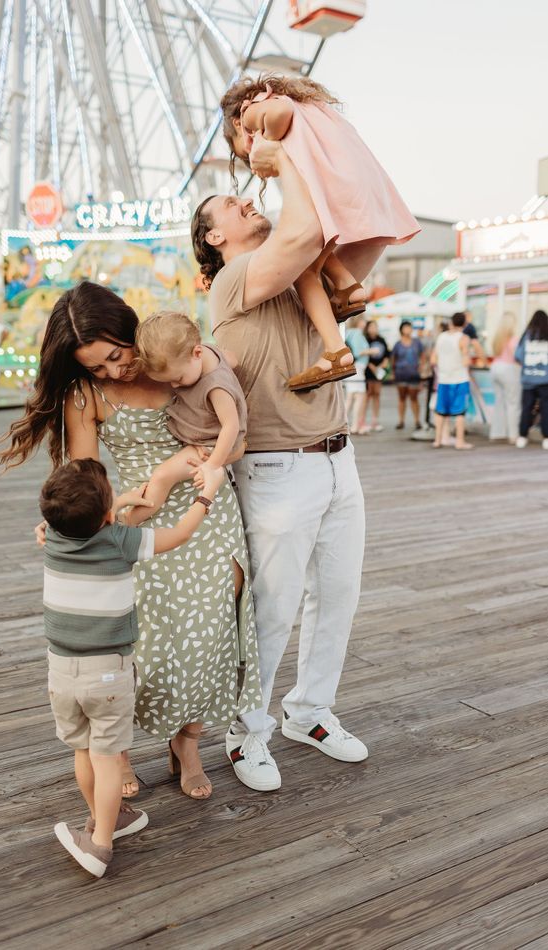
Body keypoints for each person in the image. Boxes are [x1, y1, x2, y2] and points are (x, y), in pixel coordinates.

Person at [0, 281, 261, 802]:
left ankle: (187, 742)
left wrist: (169, 475)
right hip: (134, 518)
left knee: (210, 634)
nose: (115, 371)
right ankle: (115, 750)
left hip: (207, 510)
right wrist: (71, 519)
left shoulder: (177, 363)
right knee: (140, 645)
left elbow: (238, 439)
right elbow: (87, 472)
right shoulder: (86, 395)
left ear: (129, 330)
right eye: (99, 367)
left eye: (117, 355)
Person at [191, 132, 369, 794]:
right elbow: (304, 227)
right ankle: (246, 729)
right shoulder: (237, 279)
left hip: (336, 456)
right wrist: (285, 158)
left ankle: (310, 711)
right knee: (273, 607)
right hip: (275, 468)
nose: (244, 200)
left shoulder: (298, 274)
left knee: (338, 596)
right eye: (229, 206)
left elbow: (339, 243)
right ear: (213, 239)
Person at [40, 457, 224, 877]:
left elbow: (73, 520)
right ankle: (100, 844)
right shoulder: (120, 541)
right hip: (107, 671)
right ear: (107, 516)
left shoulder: (50, 535)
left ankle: (108, 818)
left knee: (84, 751)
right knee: (107, 760)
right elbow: (178, 534)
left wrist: (116, 501)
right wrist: (206, 492)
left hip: (61, 671)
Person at [219, 73, 419, 392]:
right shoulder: (312, 109)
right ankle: (346, 285)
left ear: (237, 121)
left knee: (304, 271)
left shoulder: (252, 111)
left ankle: (336, 351)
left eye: (240, 146)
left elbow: (279, 114)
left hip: (335, 183)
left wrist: (267, 140)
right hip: (361, 181)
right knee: (316, 260)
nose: (247, 152)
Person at [129, 310, 247, 522]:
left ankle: (126, 523)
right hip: (209, 439)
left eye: (178, 378)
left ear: (197, 353)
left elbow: (231, 425)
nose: (174, 386)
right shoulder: (209, 353)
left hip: (210, 445)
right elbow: (234, 360)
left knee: (162, 477)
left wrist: (212, 465)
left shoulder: (215, 386)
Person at [430, 312, 473, 450]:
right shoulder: (464, 338)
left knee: (440, 411)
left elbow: (433, 359)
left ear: (452, 322)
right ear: (464, 324)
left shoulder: (441, 337)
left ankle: (438, 440)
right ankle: (460, 442)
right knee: (459, 412)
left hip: (443, 379)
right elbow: (466, 360)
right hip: (460, 378)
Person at [515, 309, 548, 450]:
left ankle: (522, 436)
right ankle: (546, 438)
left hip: (528, 378)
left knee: (526, 408)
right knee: (546, 410)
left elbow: (518, 355)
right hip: (545, 380)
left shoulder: (526, 335)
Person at [489, 312, 521, 444]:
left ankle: (496, 433)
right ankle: (513, 435)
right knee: (513, 403)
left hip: (495, 368)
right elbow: (517, 357)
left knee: (499, 402)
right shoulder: (513, 339)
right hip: (509, 369)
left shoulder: (497, 339)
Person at [392, 321, 423, 430]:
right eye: (405, 328)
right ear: (401, 330)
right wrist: (393, 373)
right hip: (401, 374)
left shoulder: (417, 342)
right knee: (402, 398)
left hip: (414, 374)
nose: (407, 330)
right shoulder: (398, 344)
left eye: (409, 327)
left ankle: (417, 420)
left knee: (414, 398)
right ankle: (401, 420)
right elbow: (393, 360)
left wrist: (422, 368)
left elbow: (423, 356)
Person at [344, 315, 371, 434]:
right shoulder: (357, 333)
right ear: (359, 321)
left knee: (349, 397)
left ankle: (344, 423)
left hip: (351, 368)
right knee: (359, 397)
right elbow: (358, 352)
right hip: (358, 368)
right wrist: (373, 351)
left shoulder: (348, 333)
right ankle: (354, 425)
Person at [361, 320, 390, 432]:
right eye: (371, 327)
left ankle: (375, 420)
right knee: (367, 395)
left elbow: (387, 354)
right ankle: (362, 420)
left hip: (379, 371)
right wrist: (371, 366)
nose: (373, 329)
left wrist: (383, 365)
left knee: (377, 395)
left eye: (375, 326)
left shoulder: (381, 340)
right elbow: (362, 353)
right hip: (368, 371)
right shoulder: (365, 339)